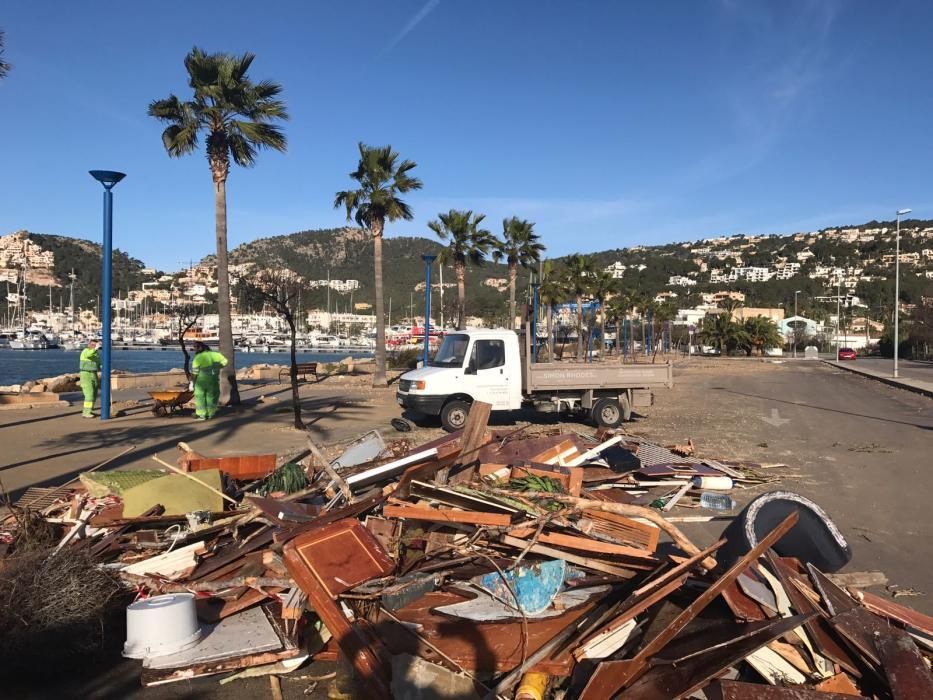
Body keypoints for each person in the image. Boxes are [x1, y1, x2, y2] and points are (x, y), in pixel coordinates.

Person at [190, 341, 228, 420]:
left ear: (199, 348)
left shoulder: (198, 358)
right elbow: (225, 361)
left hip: (201, 382)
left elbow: (195, 372)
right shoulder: (215, 354)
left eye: (195, 347)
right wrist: (217, 367)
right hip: (213, 380)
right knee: (211, 397)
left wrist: (192, 382)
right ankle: (210, 414)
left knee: (200, 397)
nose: (194, 349)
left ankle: (202, 415)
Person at [78, 339, 102, 418]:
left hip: (94, 374)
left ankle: (90, 410)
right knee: (89, 394)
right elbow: (88, 355)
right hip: (86, 374)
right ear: (89, 345)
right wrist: (95, 349)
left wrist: (104, 368)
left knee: (94, 394)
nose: (94, 346)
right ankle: (86, 412)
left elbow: (99, 363)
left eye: (95, 345)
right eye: (93, 345)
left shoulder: (96, 354)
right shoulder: (86, 351)